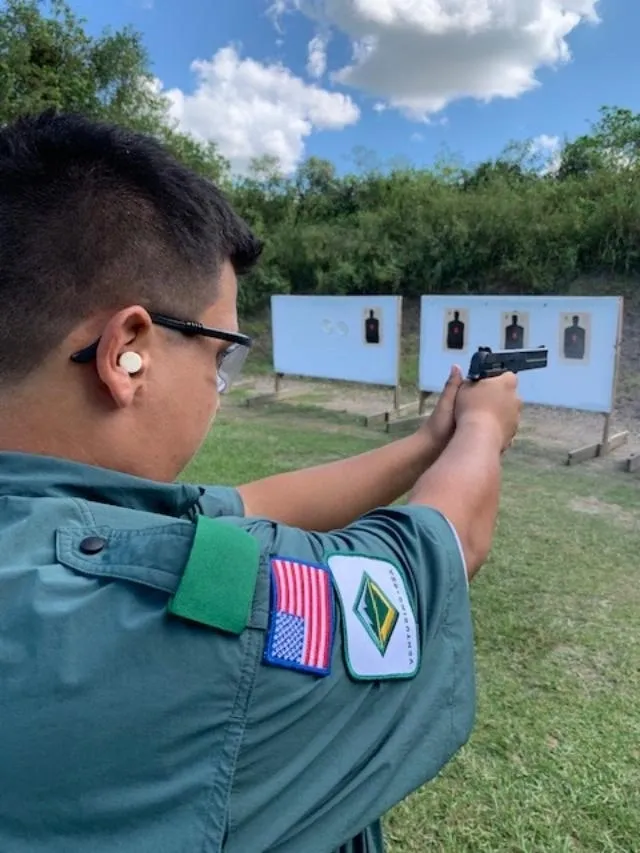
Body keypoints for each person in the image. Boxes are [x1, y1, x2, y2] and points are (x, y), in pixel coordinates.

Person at [0, 111, 522, 853]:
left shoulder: (70, 520)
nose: (220, 383)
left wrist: (428, 440)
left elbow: (252, 506)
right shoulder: (157, 591)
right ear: (128, 353)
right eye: (221, 353)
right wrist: (483, 429)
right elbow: (430, 558)